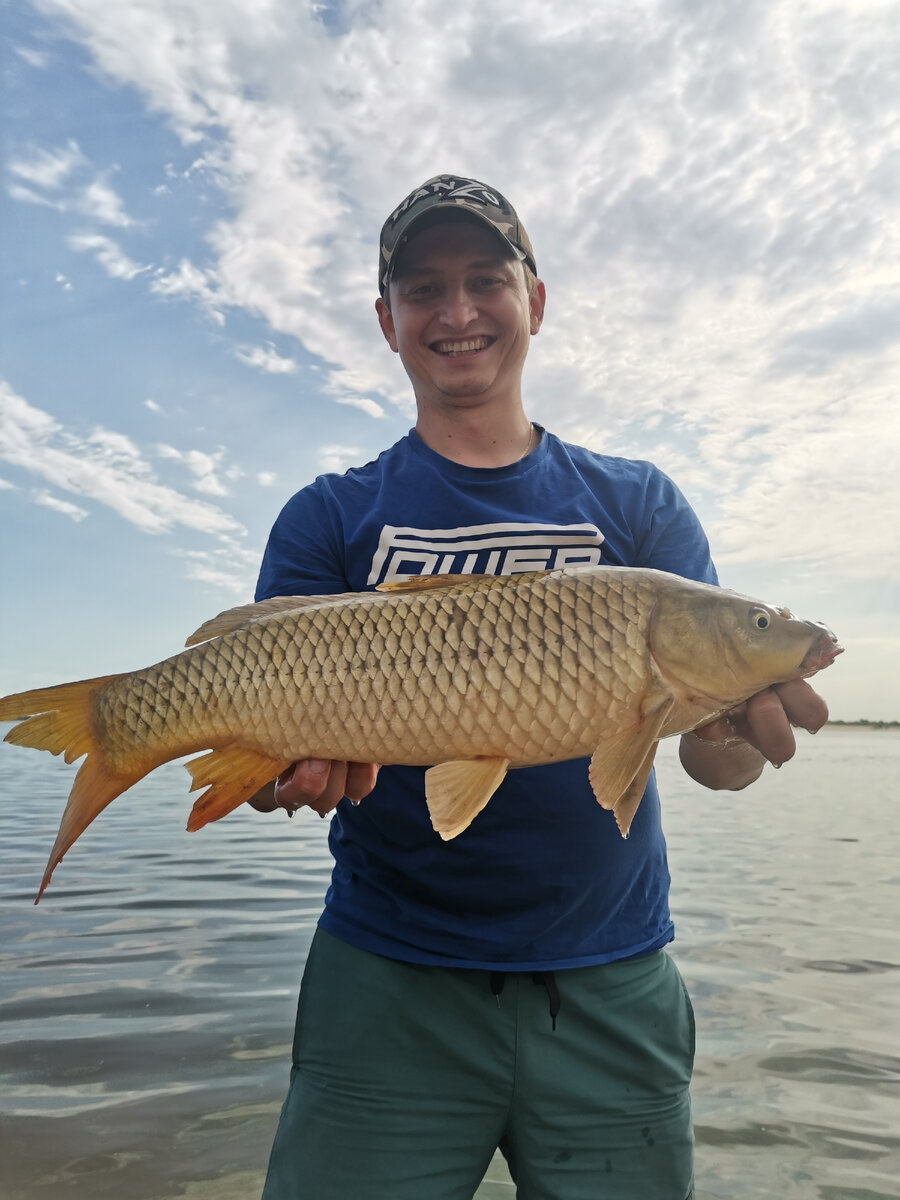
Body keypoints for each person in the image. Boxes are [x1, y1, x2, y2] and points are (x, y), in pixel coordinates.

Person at [250, 175, 828, 1200]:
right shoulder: (328, 517)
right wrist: (278, 771)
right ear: (388, 323)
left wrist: (741, 728)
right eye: (424, 289)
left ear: (536, 300)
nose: (459, 311)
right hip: (387, 980)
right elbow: (273, 757)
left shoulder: (641, 505)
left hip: (611, 979)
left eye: (486, 279)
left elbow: (712, 764)